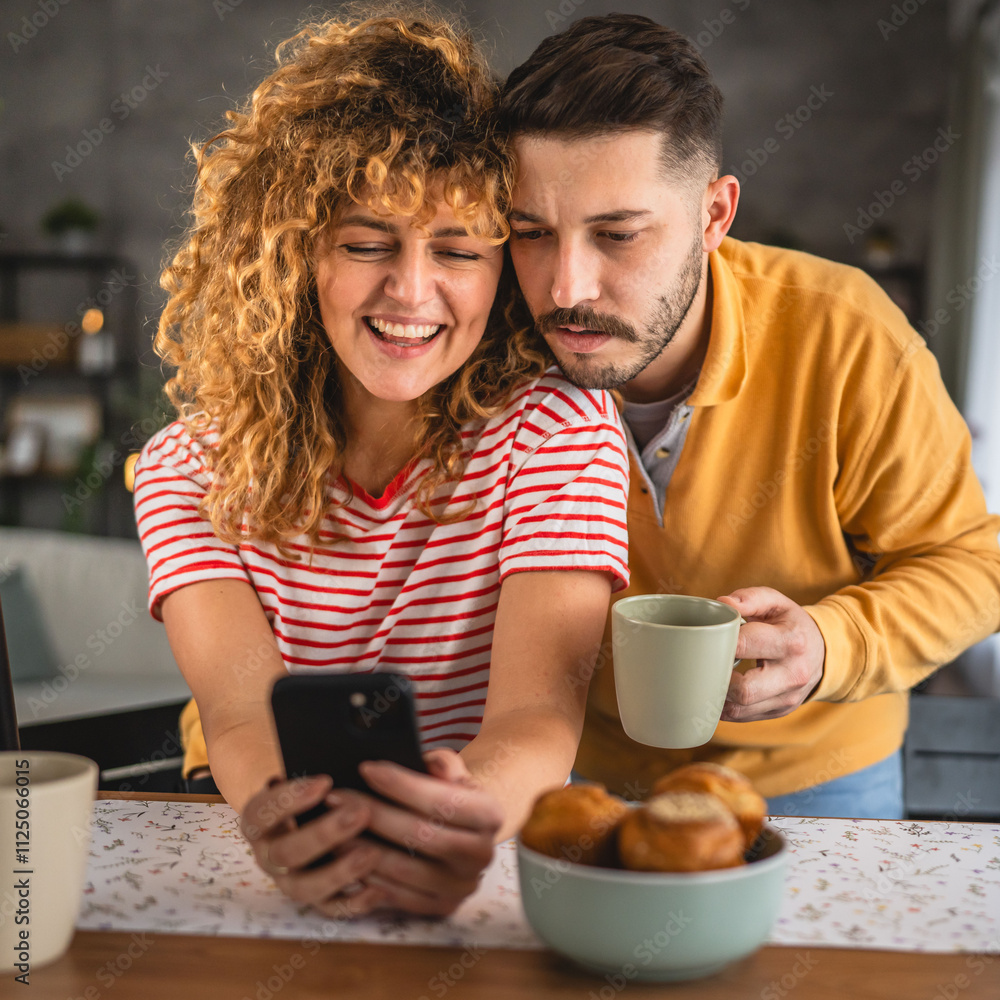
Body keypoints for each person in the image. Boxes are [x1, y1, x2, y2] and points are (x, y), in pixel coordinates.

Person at [133, 11, 630, 918]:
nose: (410, 291)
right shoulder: (183, 470)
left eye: (457, 251)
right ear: (294, 258)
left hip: (486, 854)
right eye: (367, 243)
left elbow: (536, 720)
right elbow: (245, 719)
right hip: (275, 856)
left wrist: (453, 819)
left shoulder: (559, 433)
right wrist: (302, 834)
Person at [498, 13, 1000, 818]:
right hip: (571, 768)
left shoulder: (847, 333)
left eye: (617, 235)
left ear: (714, 216)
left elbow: (972, 563)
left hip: (818, 775)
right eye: (530, 233)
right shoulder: (481, 351)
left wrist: (832, 644)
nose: (566, 290)